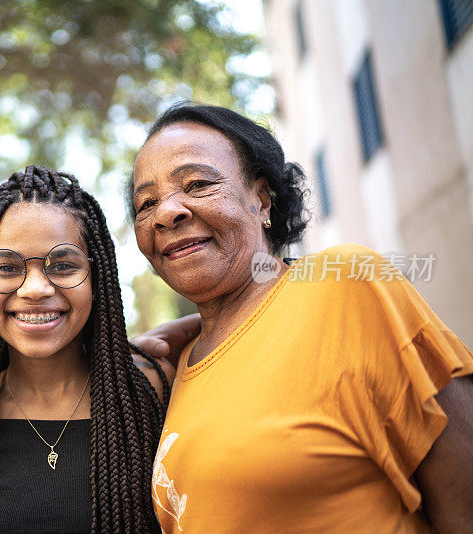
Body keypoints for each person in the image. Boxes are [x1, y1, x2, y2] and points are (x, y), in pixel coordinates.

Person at [129, 102, 473, 533]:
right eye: (146, 203)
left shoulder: (347, 288)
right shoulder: (173, 370)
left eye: (196, 184)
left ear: (261, 199)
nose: (166, 213)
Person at [0, 165, 174, 533]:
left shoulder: (151, 396)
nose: (34, 288)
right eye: (6, 268)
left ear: (98, 279)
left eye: (63, 265)